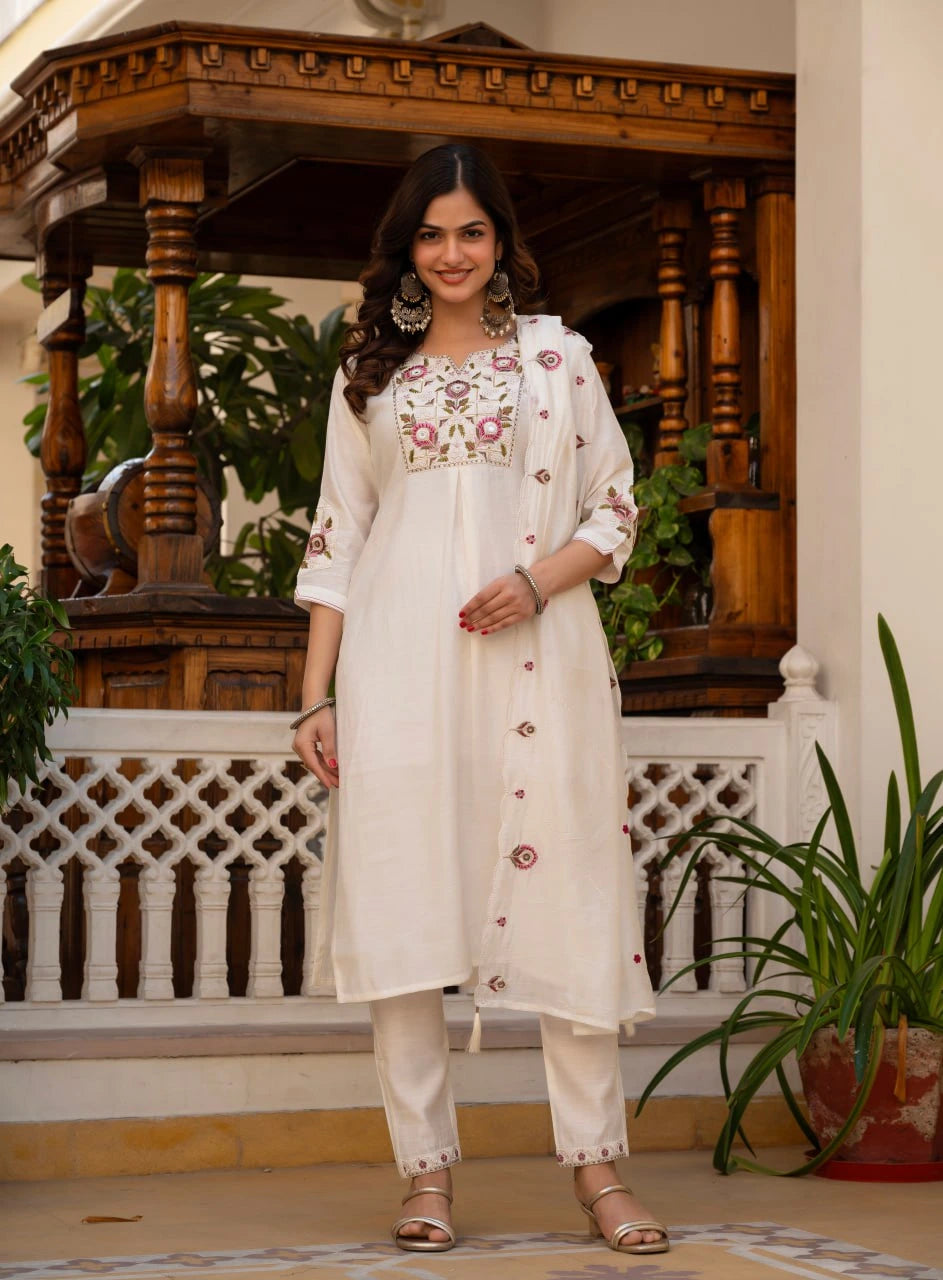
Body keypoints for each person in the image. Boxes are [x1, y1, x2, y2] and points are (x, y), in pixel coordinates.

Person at [292, 142, 667, 1257]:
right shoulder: (371, 379)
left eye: (469, 231)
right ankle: (425, 1173)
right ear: (405, 252)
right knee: (406, 909)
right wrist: (314, 698)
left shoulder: (557, 364)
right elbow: (336, 536)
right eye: (429, 234)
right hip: (397, 670)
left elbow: (616, 506)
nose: (450, 253)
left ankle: (597, 1172)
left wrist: (535, 581)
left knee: (573, 895)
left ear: (499, 243)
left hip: (539, 662)